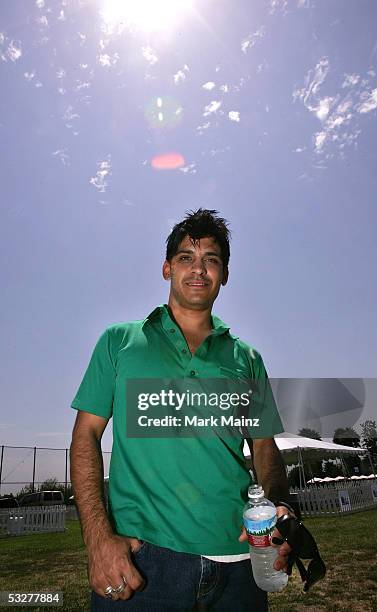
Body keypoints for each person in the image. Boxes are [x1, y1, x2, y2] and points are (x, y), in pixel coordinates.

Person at [70, 209, 293, 611]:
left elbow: (263, 445)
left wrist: (280, 505)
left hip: (242, 563)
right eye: (186, 257)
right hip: (144, 562)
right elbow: (85, 434)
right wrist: (98, 538)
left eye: (212, 259)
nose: (199, 269)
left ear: (224, 274)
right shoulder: (118, 342)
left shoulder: (247, 357)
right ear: (166, 268)